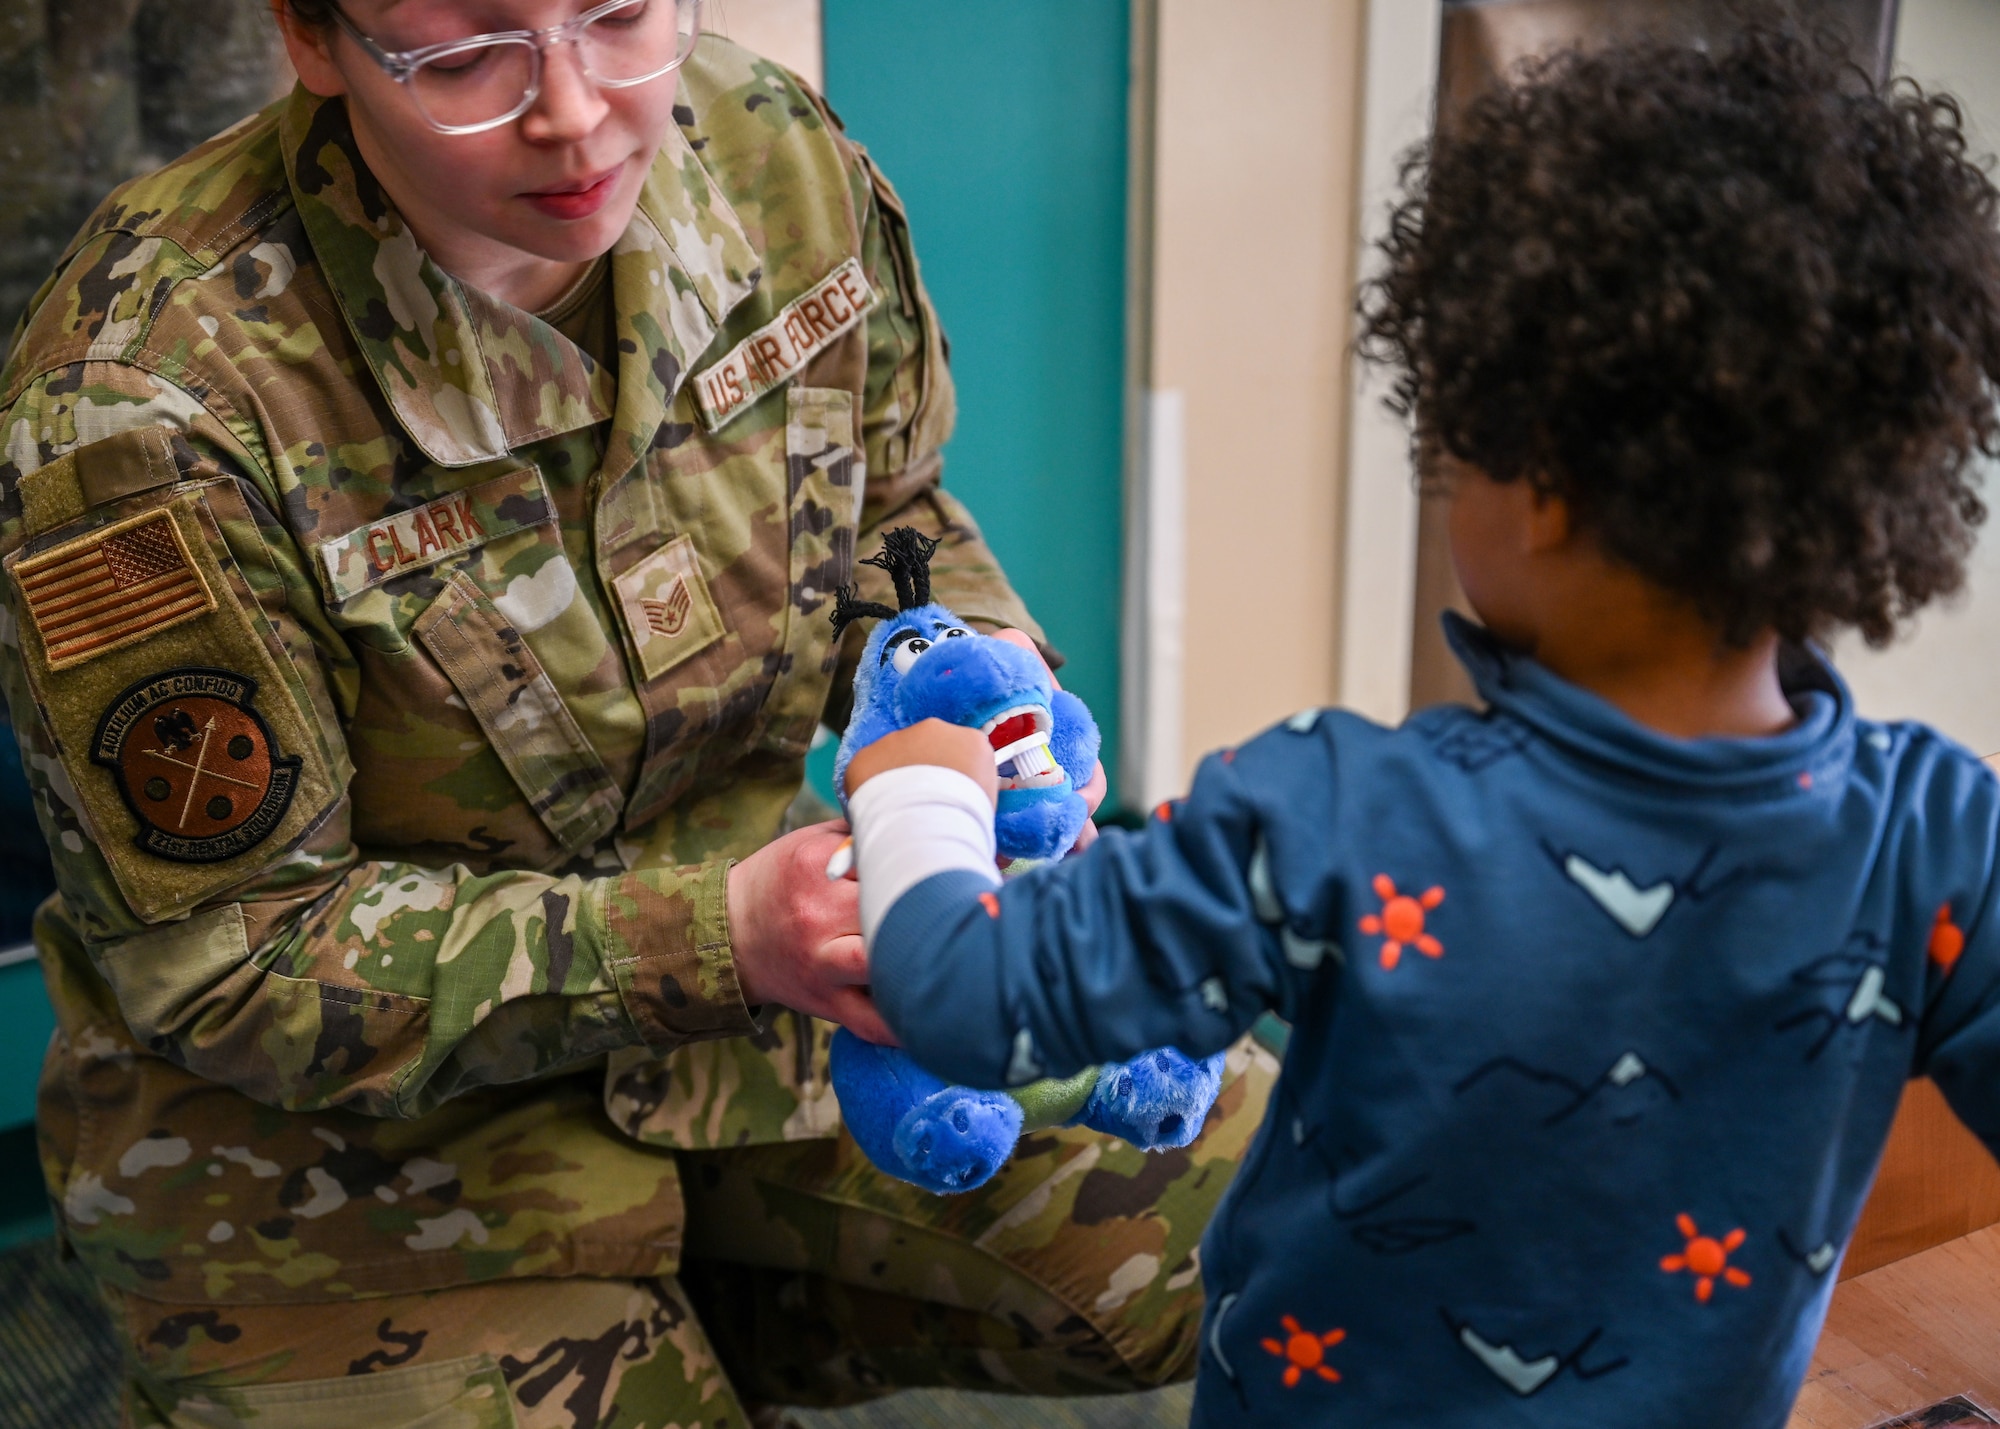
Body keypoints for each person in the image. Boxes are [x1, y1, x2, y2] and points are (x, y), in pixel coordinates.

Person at [0, 2, 1273, 1423]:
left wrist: (981, 698)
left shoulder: (765, 152)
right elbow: (234, 959)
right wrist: (718, 940)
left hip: (759, 1020)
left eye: (616, 15)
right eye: (468, 55)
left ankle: (707, 1325)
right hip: (339, 1163)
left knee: (1288, 1193)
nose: (576, 111)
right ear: (313, 36)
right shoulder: (144, 409)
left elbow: (890, 514)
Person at [842, 20, 2000, 1428]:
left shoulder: (1329, 816)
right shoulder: (1937, 839)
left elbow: (961, 998)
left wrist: (919, 785)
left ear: (1547, 483)